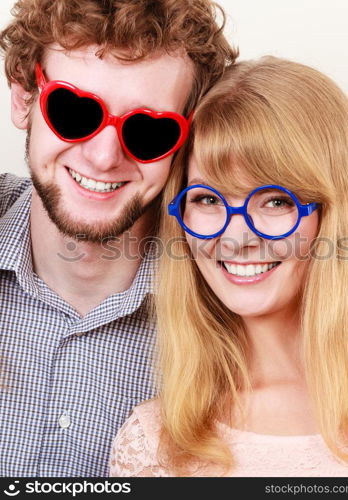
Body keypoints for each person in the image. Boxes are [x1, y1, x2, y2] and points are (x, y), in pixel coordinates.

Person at [110, 56, 348, 477]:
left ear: (336, 212)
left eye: (275, 201)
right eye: (208, 200)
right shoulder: (157, 442)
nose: (236, 238)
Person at [0, 0, 237, 476]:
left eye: (148, 130)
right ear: (25, 96)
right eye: (73, 110)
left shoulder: (235, 303)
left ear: (186, 140)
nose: (105, 156)